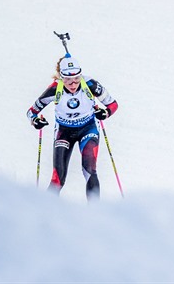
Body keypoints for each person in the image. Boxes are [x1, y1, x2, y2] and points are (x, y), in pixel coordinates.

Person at [27, 55, 118, 201]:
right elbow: (31, 112)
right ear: (61, 77)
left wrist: (105, 113)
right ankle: (43, 213)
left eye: (76, 78)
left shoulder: (90, 84)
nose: (73, 83)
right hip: (64, 132)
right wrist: (36, 121)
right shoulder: (54, 89)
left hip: (88, 129)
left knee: (90, 170)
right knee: (58, 178)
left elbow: (113, 104)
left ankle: (95, 214)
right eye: (68, 80)